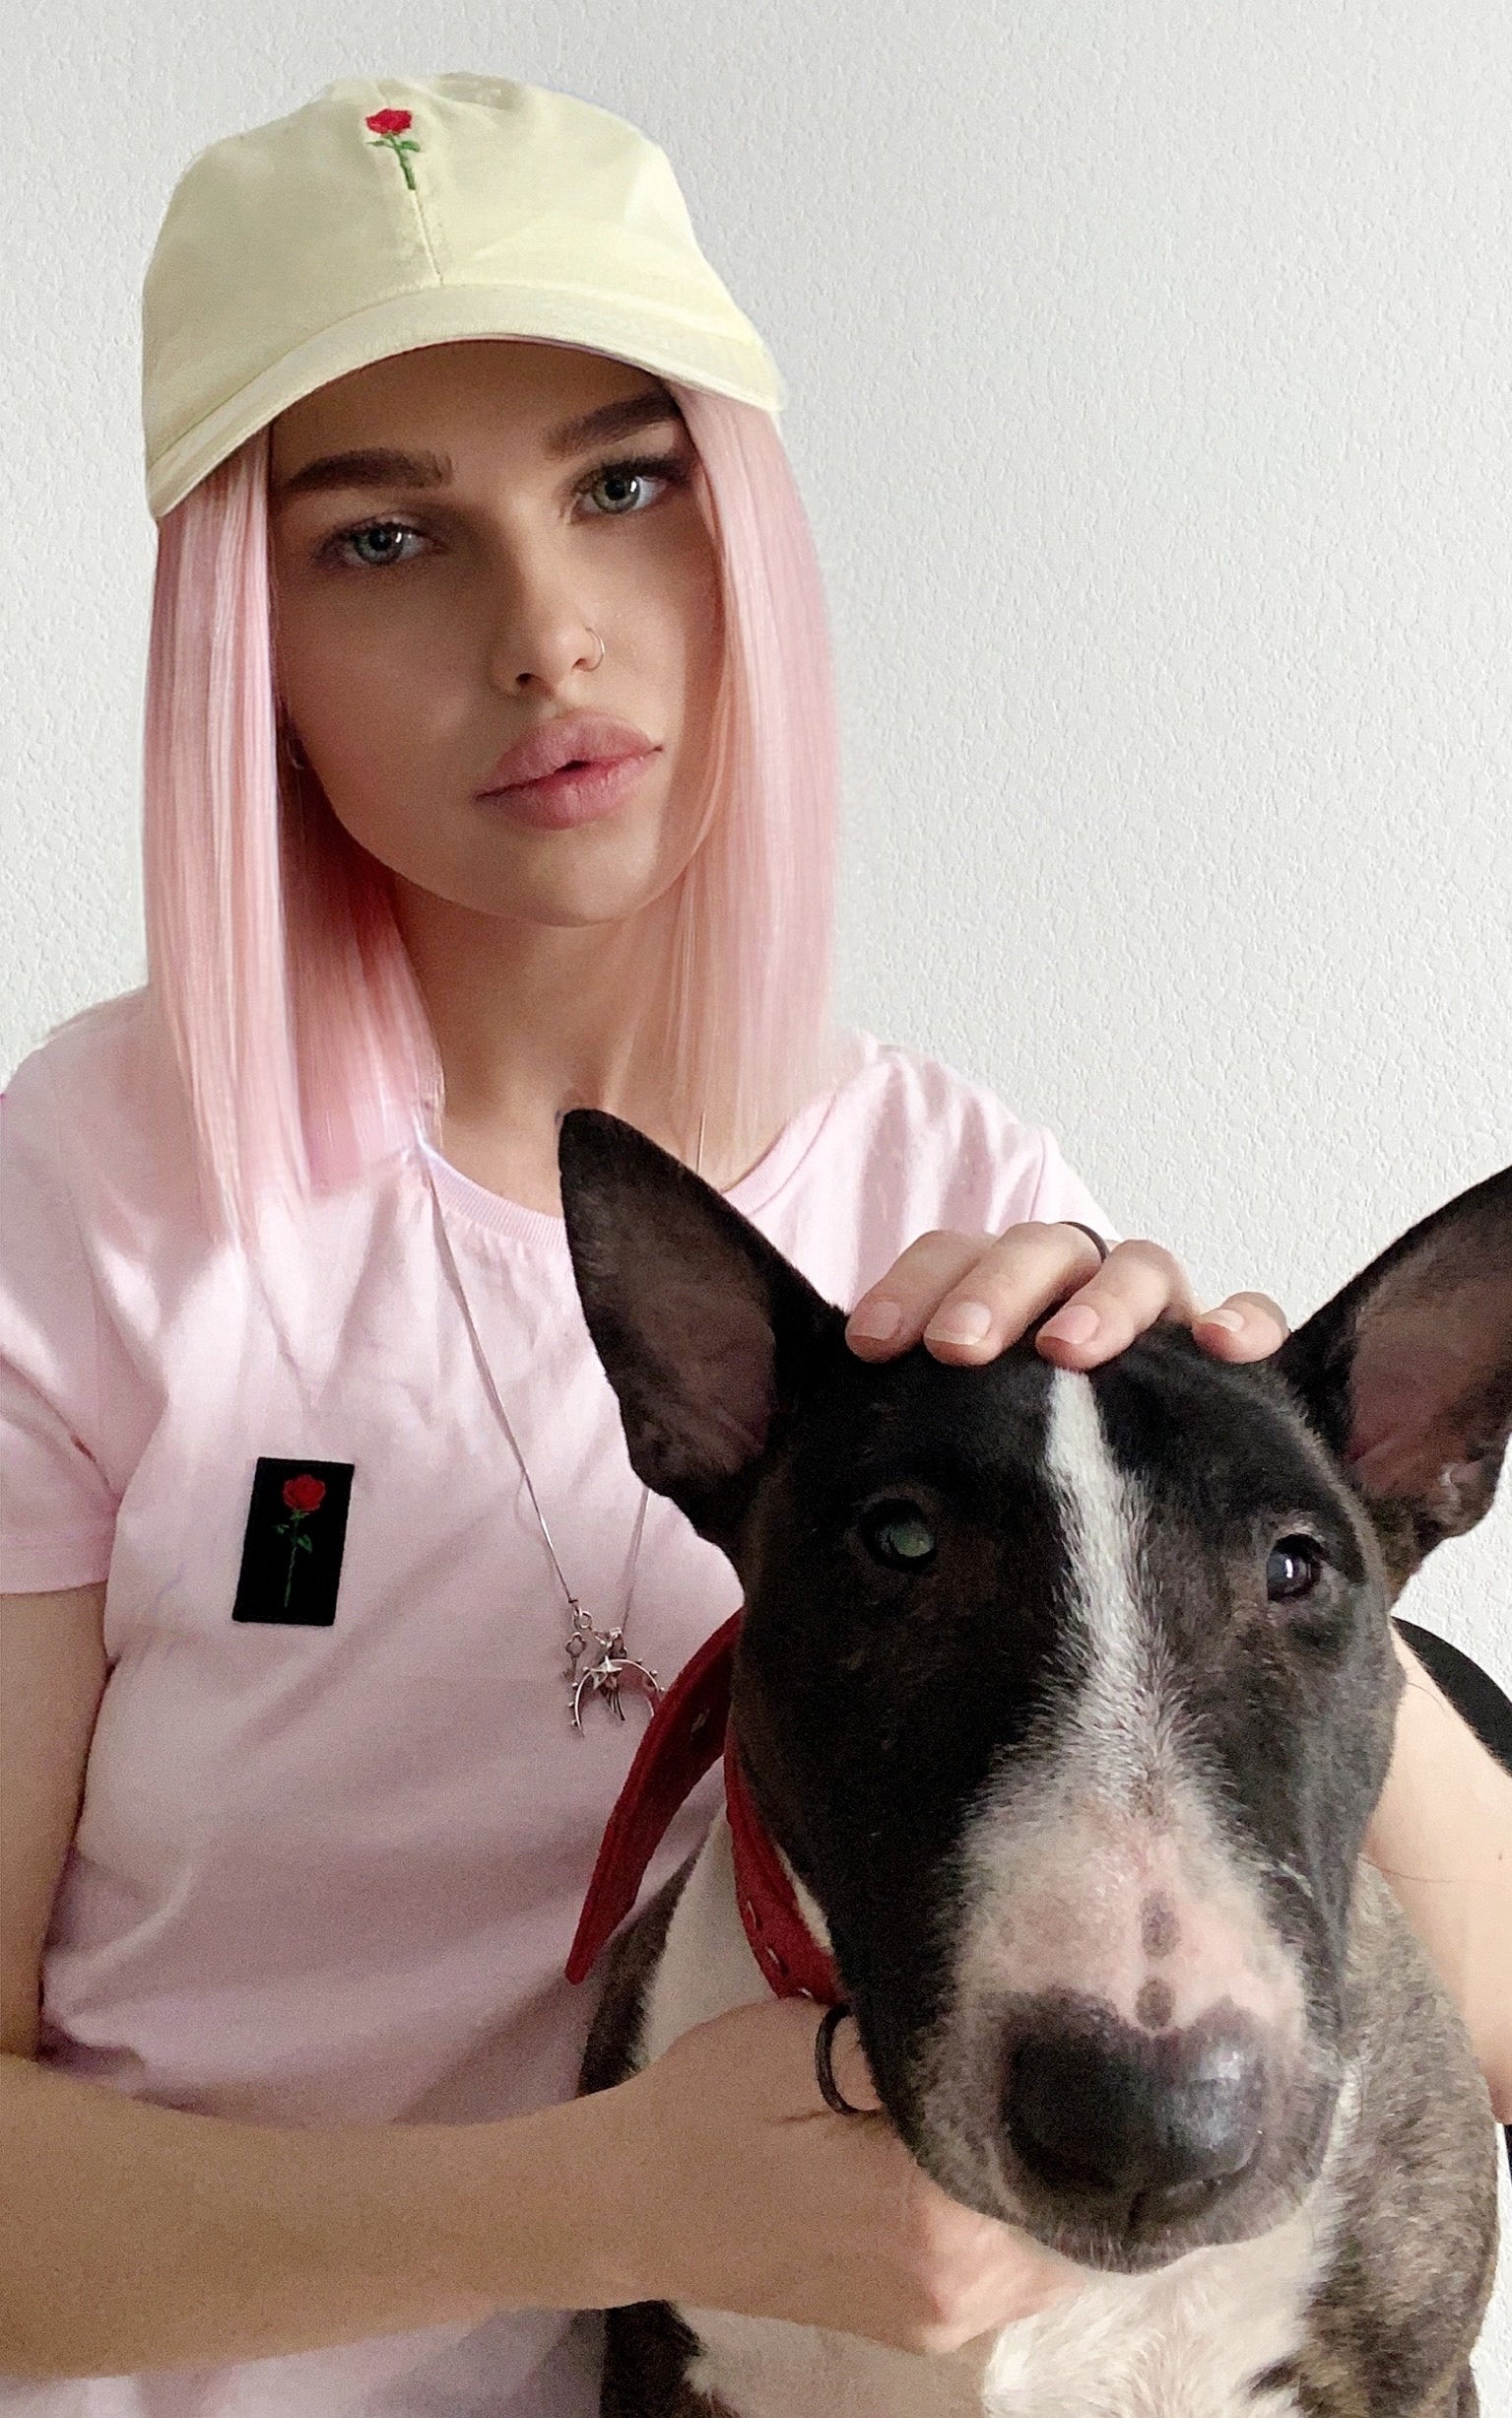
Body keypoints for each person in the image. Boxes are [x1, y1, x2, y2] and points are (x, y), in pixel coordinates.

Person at [0, 72, 1507, 2417]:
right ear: (243, 645)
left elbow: (1479, 2019)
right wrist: (613, 2204)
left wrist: (1256, 1510)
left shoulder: (962, 1200)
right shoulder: (84, 1209)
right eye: (380, 539)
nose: (546, 636)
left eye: (626, 487)